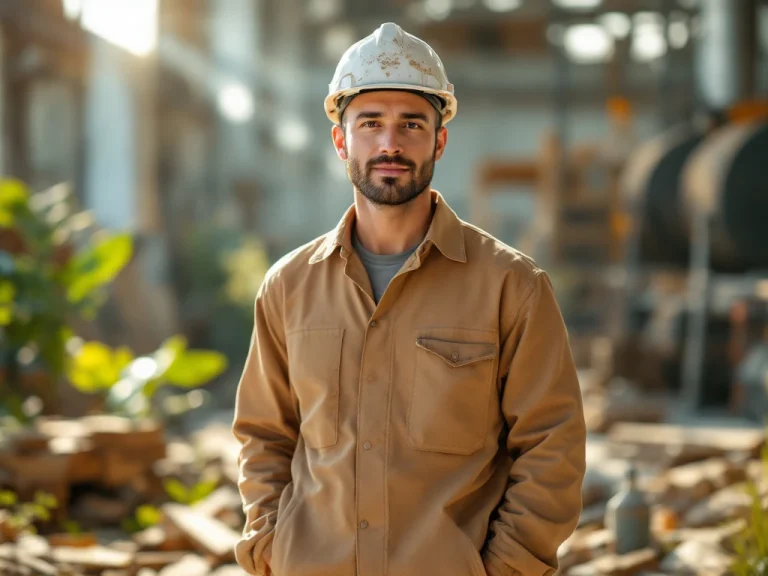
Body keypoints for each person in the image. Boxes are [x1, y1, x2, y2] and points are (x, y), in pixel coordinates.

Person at [232, 22, 586, 576]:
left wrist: (506, 568)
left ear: (440, 140)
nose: (390, 143)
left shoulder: (510, 287)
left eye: (411, 124)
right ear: (341, 140)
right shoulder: (288, 287)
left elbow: (552, 446)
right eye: (370, 123)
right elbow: (264, 435)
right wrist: (270, 546)